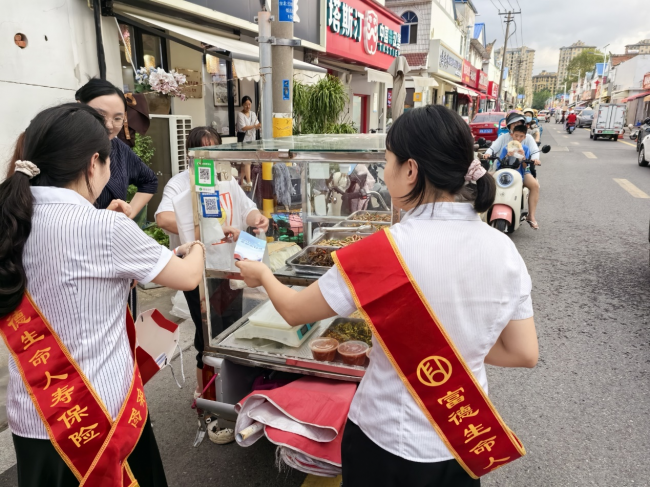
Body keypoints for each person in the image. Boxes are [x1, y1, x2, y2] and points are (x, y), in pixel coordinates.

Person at [236, 105, 539, 487]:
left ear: (411, 170)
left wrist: (262, 272)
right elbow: (524, 353)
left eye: (388, 162)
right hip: (459, 441)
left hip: (384, 439)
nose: (385, 172)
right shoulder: (505, 251)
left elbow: (295, 311)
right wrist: (462, 347)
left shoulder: (382, 251)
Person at [0, 103, 205, 486]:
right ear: (93, 163)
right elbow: (189, 277)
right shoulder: (105, 228)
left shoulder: (11, 218)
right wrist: (200, 244)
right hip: (105, 417)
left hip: (33, 418)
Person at [155, 127, 269, 444]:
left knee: (232, 330)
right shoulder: (181, 182)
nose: (210, 157)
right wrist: (199, 224)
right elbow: (162, 217)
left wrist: (257, 220)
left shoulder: (227, 180)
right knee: (207, 336)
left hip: (229, 269)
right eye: (203, 151)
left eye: (215, 149)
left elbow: (248, 210)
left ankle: (231, 394)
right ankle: (206, 405)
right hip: (197, 272)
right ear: (192, 155)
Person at [75, 78, 158, 216]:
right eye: (99, 115)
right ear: (78, 107)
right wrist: (99, 221)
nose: (109, 125)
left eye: (117, 118)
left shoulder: (118, 148)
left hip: (110, 235)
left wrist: (126, 216)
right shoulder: (61, 149)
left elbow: (149, 181)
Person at [484, 112, 541, 229]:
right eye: (513, 124)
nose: (516, 126)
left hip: (521, 171)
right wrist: (487, 154)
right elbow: (493, 148)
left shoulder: (528, 139)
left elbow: (535, 151)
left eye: (518, 123)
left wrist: (533, 159)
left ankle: (531, 216)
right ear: (509, 127)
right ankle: (481, 210)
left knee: (535, 185)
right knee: (483, 179)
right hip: (502, 170)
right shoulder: (504, 138)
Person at [236, 96, 260, 190]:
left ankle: (241, 181)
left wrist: (258, 126)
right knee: (247, 161)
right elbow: (243, 127)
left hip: (252, 140)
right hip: (244, 141)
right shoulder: (240, 114)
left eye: (249, 104)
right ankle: (249, 182)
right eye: (246, 104)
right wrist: (254, 126)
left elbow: (257, 125)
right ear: (242, 105)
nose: (248, 106)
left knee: (245, 162)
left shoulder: (253, 114)